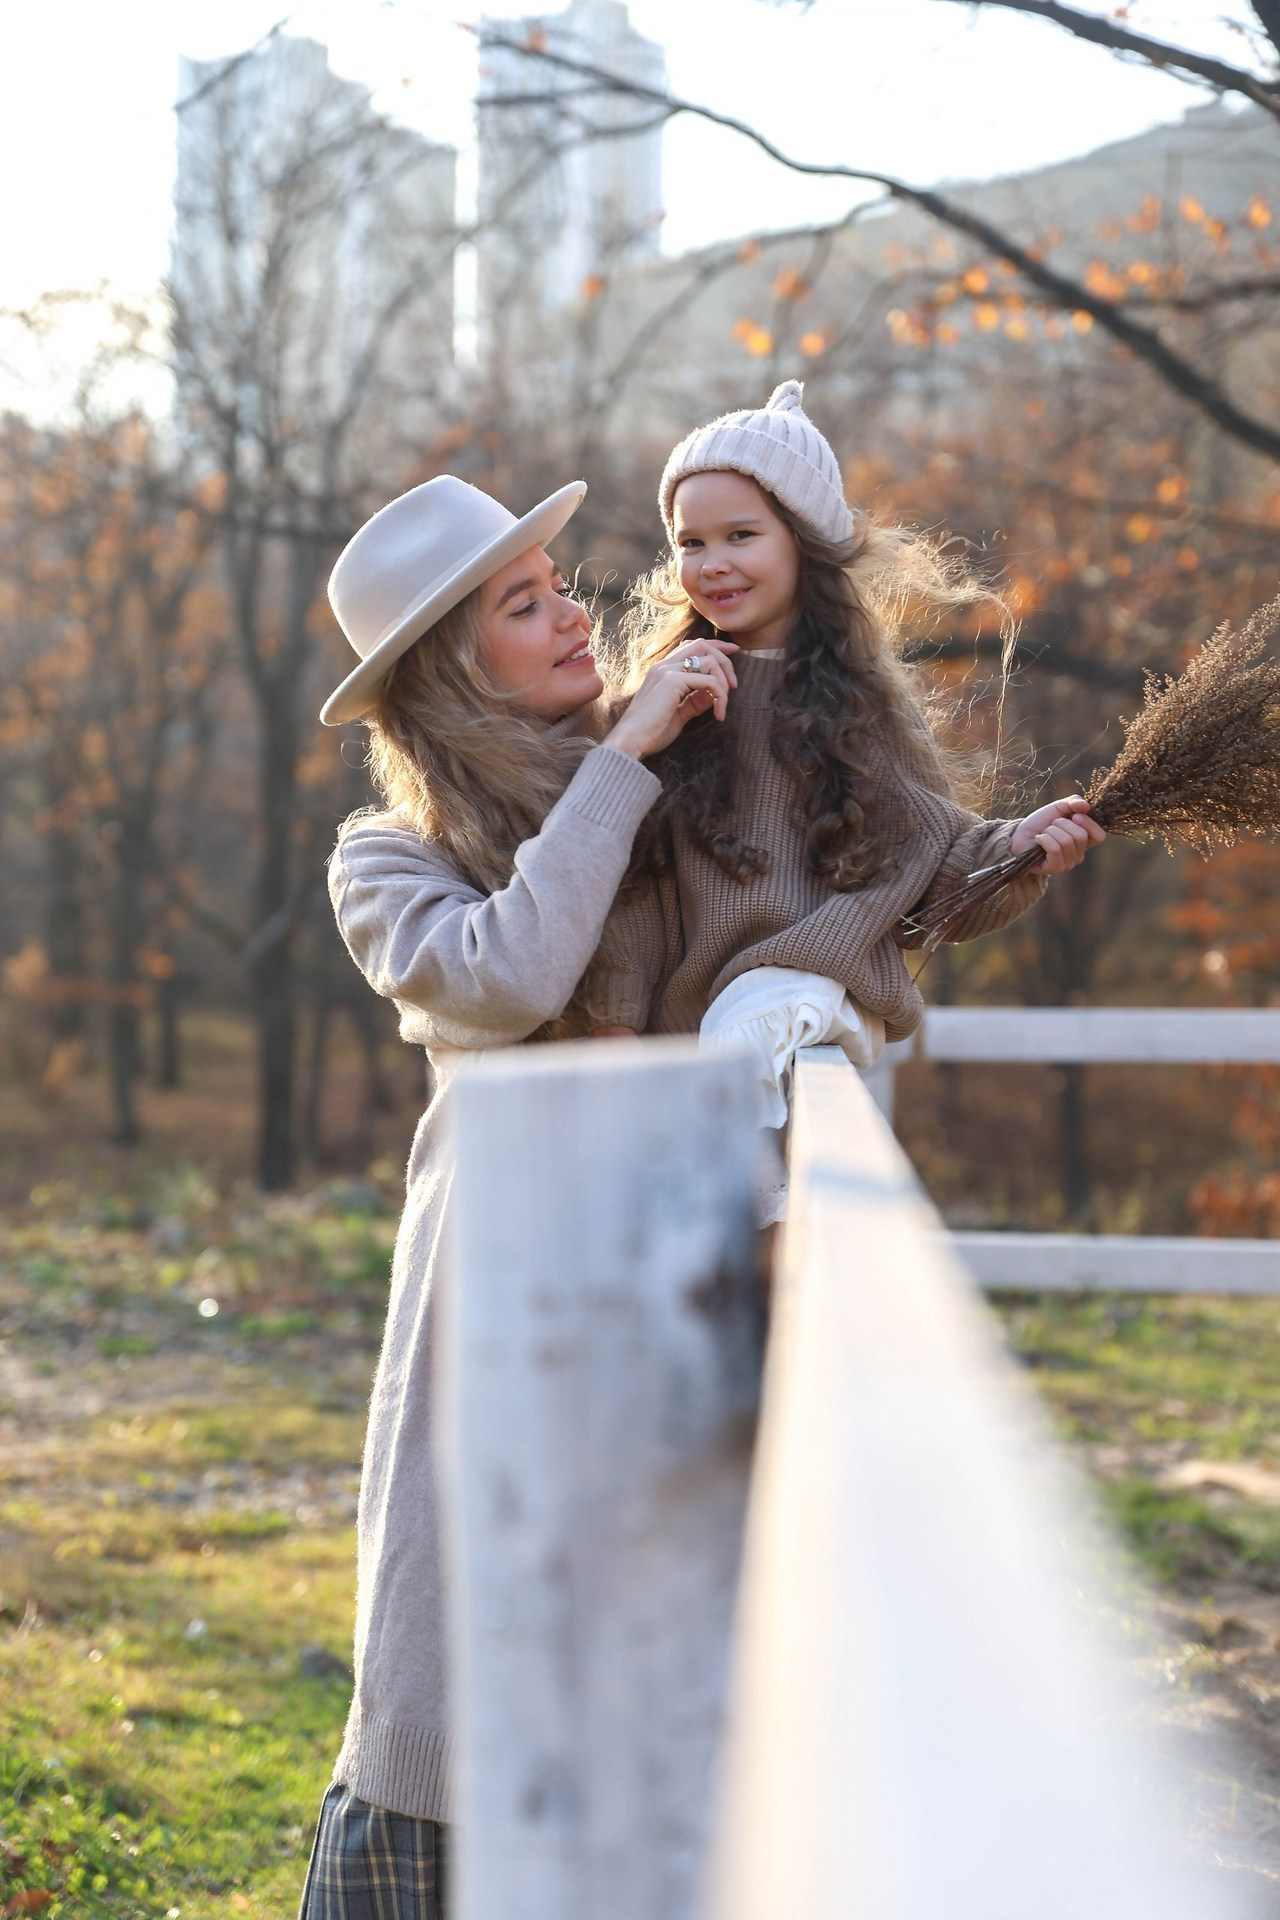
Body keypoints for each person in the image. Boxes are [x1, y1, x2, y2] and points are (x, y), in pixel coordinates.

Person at [298, 473, 737, 1919]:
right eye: (525, 602)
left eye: (560, 583)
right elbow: (506, 973)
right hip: (492, 1300)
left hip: (655, 1280)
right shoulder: (387, 860)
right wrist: (628, 762)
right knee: (447, 1651)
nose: (574, 617)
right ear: (447, 666)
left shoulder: (664, 782)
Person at [588, 381, 1105, 1215]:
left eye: (741, 535)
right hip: (691, 1042)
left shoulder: (861, 709)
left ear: (804, 545)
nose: (712, 563)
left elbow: (930, 874)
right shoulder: (663, 704)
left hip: (802, 1001)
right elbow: (629, 888)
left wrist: (1018, 853)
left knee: (756, 1030)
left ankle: (777, 1223)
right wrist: (617, 1022)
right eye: (690, 542)